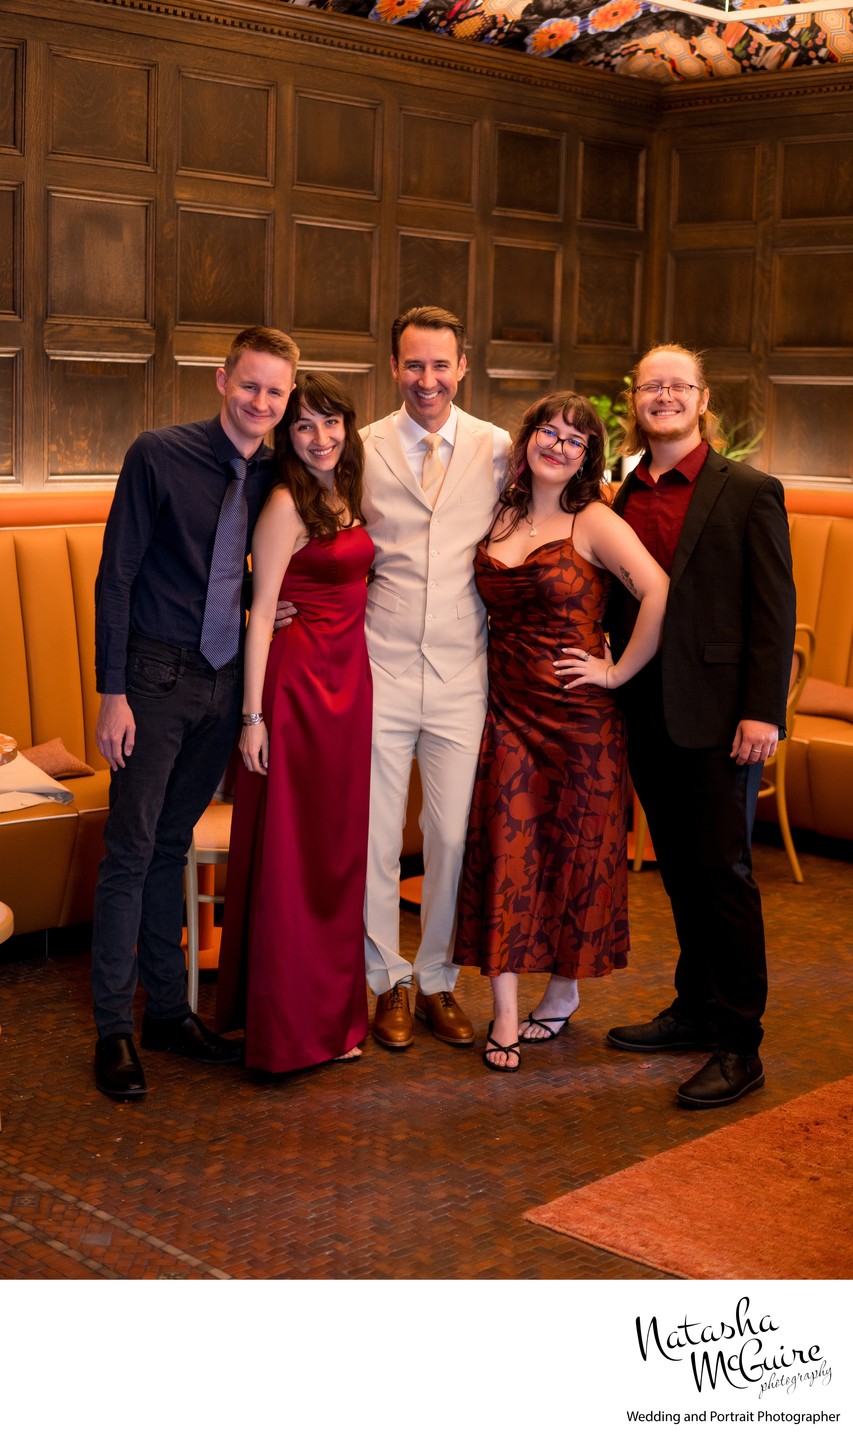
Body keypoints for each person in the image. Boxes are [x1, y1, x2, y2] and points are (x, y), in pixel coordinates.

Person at [91, 325, 299, 1101]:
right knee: (131, 848)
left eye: (275, 392)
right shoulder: (158, 453)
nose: (261, 402)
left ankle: (168, 1014)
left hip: (223, 681)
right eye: (250, 385)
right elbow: (118, 576)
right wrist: (111, 693)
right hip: (151, 675)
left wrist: (259, 605)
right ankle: (114, 1028)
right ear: (222, 380)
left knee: (170, 846)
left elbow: (252, 567)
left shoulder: (280, 471)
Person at [605, 343, 796, 1108]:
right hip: (644, 709)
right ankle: (692, 1007)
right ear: (635, 401)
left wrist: (763, 709)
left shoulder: (747, 488)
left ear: (701, 397)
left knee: (722, 874)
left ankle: (738, 1041)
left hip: (722, 717)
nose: (664, 396)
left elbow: (771, 610)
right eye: (652, 385)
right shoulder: (619, 494)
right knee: (679, 869)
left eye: (677, 385)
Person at [453, 393, 669, 1071]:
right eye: (547, 431)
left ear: (587, 458)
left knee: (576, 860)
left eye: (573, 440)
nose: (556, 444)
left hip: (580, 722)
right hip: (507, 713)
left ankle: (565, 987)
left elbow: (658, 590)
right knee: (506, 857)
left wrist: (615, 671)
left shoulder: (594, 520)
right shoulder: (499, 510)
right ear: (528, 440)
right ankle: (506, 1014)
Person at [360, 306, 511, 1049]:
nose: (427, 380)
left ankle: (438, 979)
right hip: (377, 664)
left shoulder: (496, 448)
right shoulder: (361, 449)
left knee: (449, 835)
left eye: (439, 365)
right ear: (393, 367)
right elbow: (323, 539)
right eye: (413, 365)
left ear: (461, 367)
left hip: (461, 671)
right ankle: (385, 978)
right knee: (376, 836)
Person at [215, 374, 373, 1073]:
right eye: (304, 425)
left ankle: (333, 1019)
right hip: (298, 689)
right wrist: (252, 717)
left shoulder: (346, 492)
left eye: (330, 422)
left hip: (350, 687)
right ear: (287, 435)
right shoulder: (284, 502)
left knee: (335, 855)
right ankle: (286, 1031)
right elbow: (259, 619)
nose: (319, 436)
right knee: (293, 855)